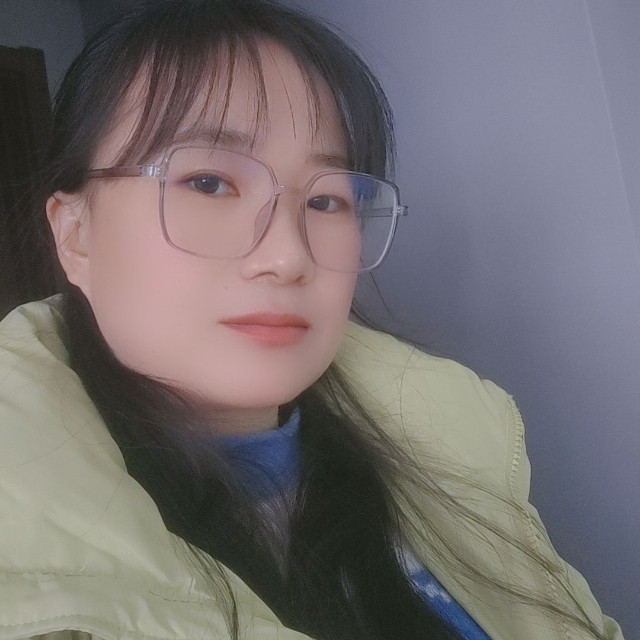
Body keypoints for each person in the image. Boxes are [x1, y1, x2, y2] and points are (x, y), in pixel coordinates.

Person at [0, 1, 624, 639]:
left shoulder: (465, 444)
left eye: (326, 199)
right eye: (208, 182)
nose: (288, 256)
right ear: (75, 234)